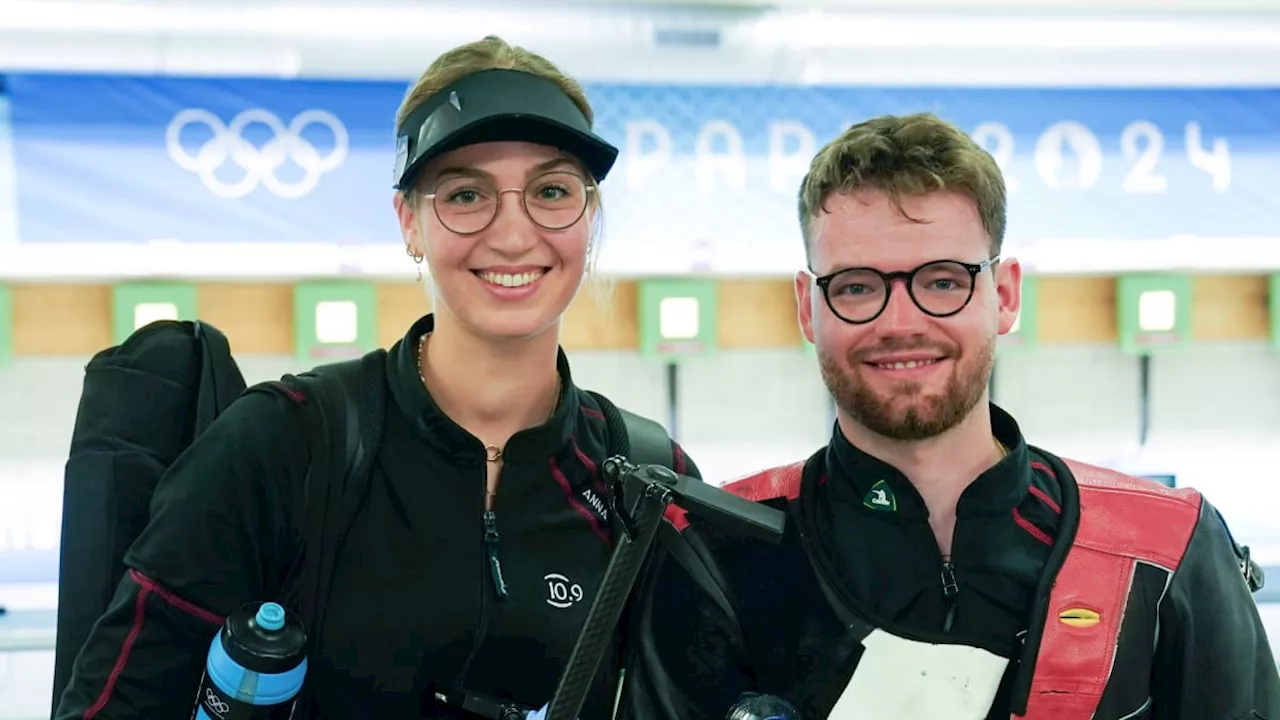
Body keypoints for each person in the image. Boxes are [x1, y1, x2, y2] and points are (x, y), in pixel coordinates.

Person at [54, 35, 700, 719]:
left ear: (588, 216)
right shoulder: (282, 446)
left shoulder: (647, 479)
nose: (514, 235)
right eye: (465, 193)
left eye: (551, 190)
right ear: (410, 223)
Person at [620, 112, 1279, 720]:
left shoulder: (1164, 552)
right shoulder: (716, 548)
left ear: (1005, 294)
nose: (900, 322)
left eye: (942, 280)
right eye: (856, 287)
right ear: (807, 306)